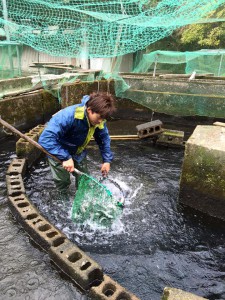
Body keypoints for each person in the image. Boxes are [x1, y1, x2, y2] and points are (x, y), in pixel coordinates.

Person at [38, 91, 116, 199]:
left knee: (84, 178)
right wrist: (65, 157)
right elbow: (45, 139)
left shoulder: (99, 120)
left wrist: (107, 160)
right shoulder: (67, 116)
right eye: (99, 118)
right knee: (62, 180)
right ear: (89, 110)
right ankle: (62, 198)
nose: (100, 122)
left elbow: (103, 139)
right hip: (58, 150)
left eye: (103, 119)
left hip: (78, 151)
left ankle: (82, 198)